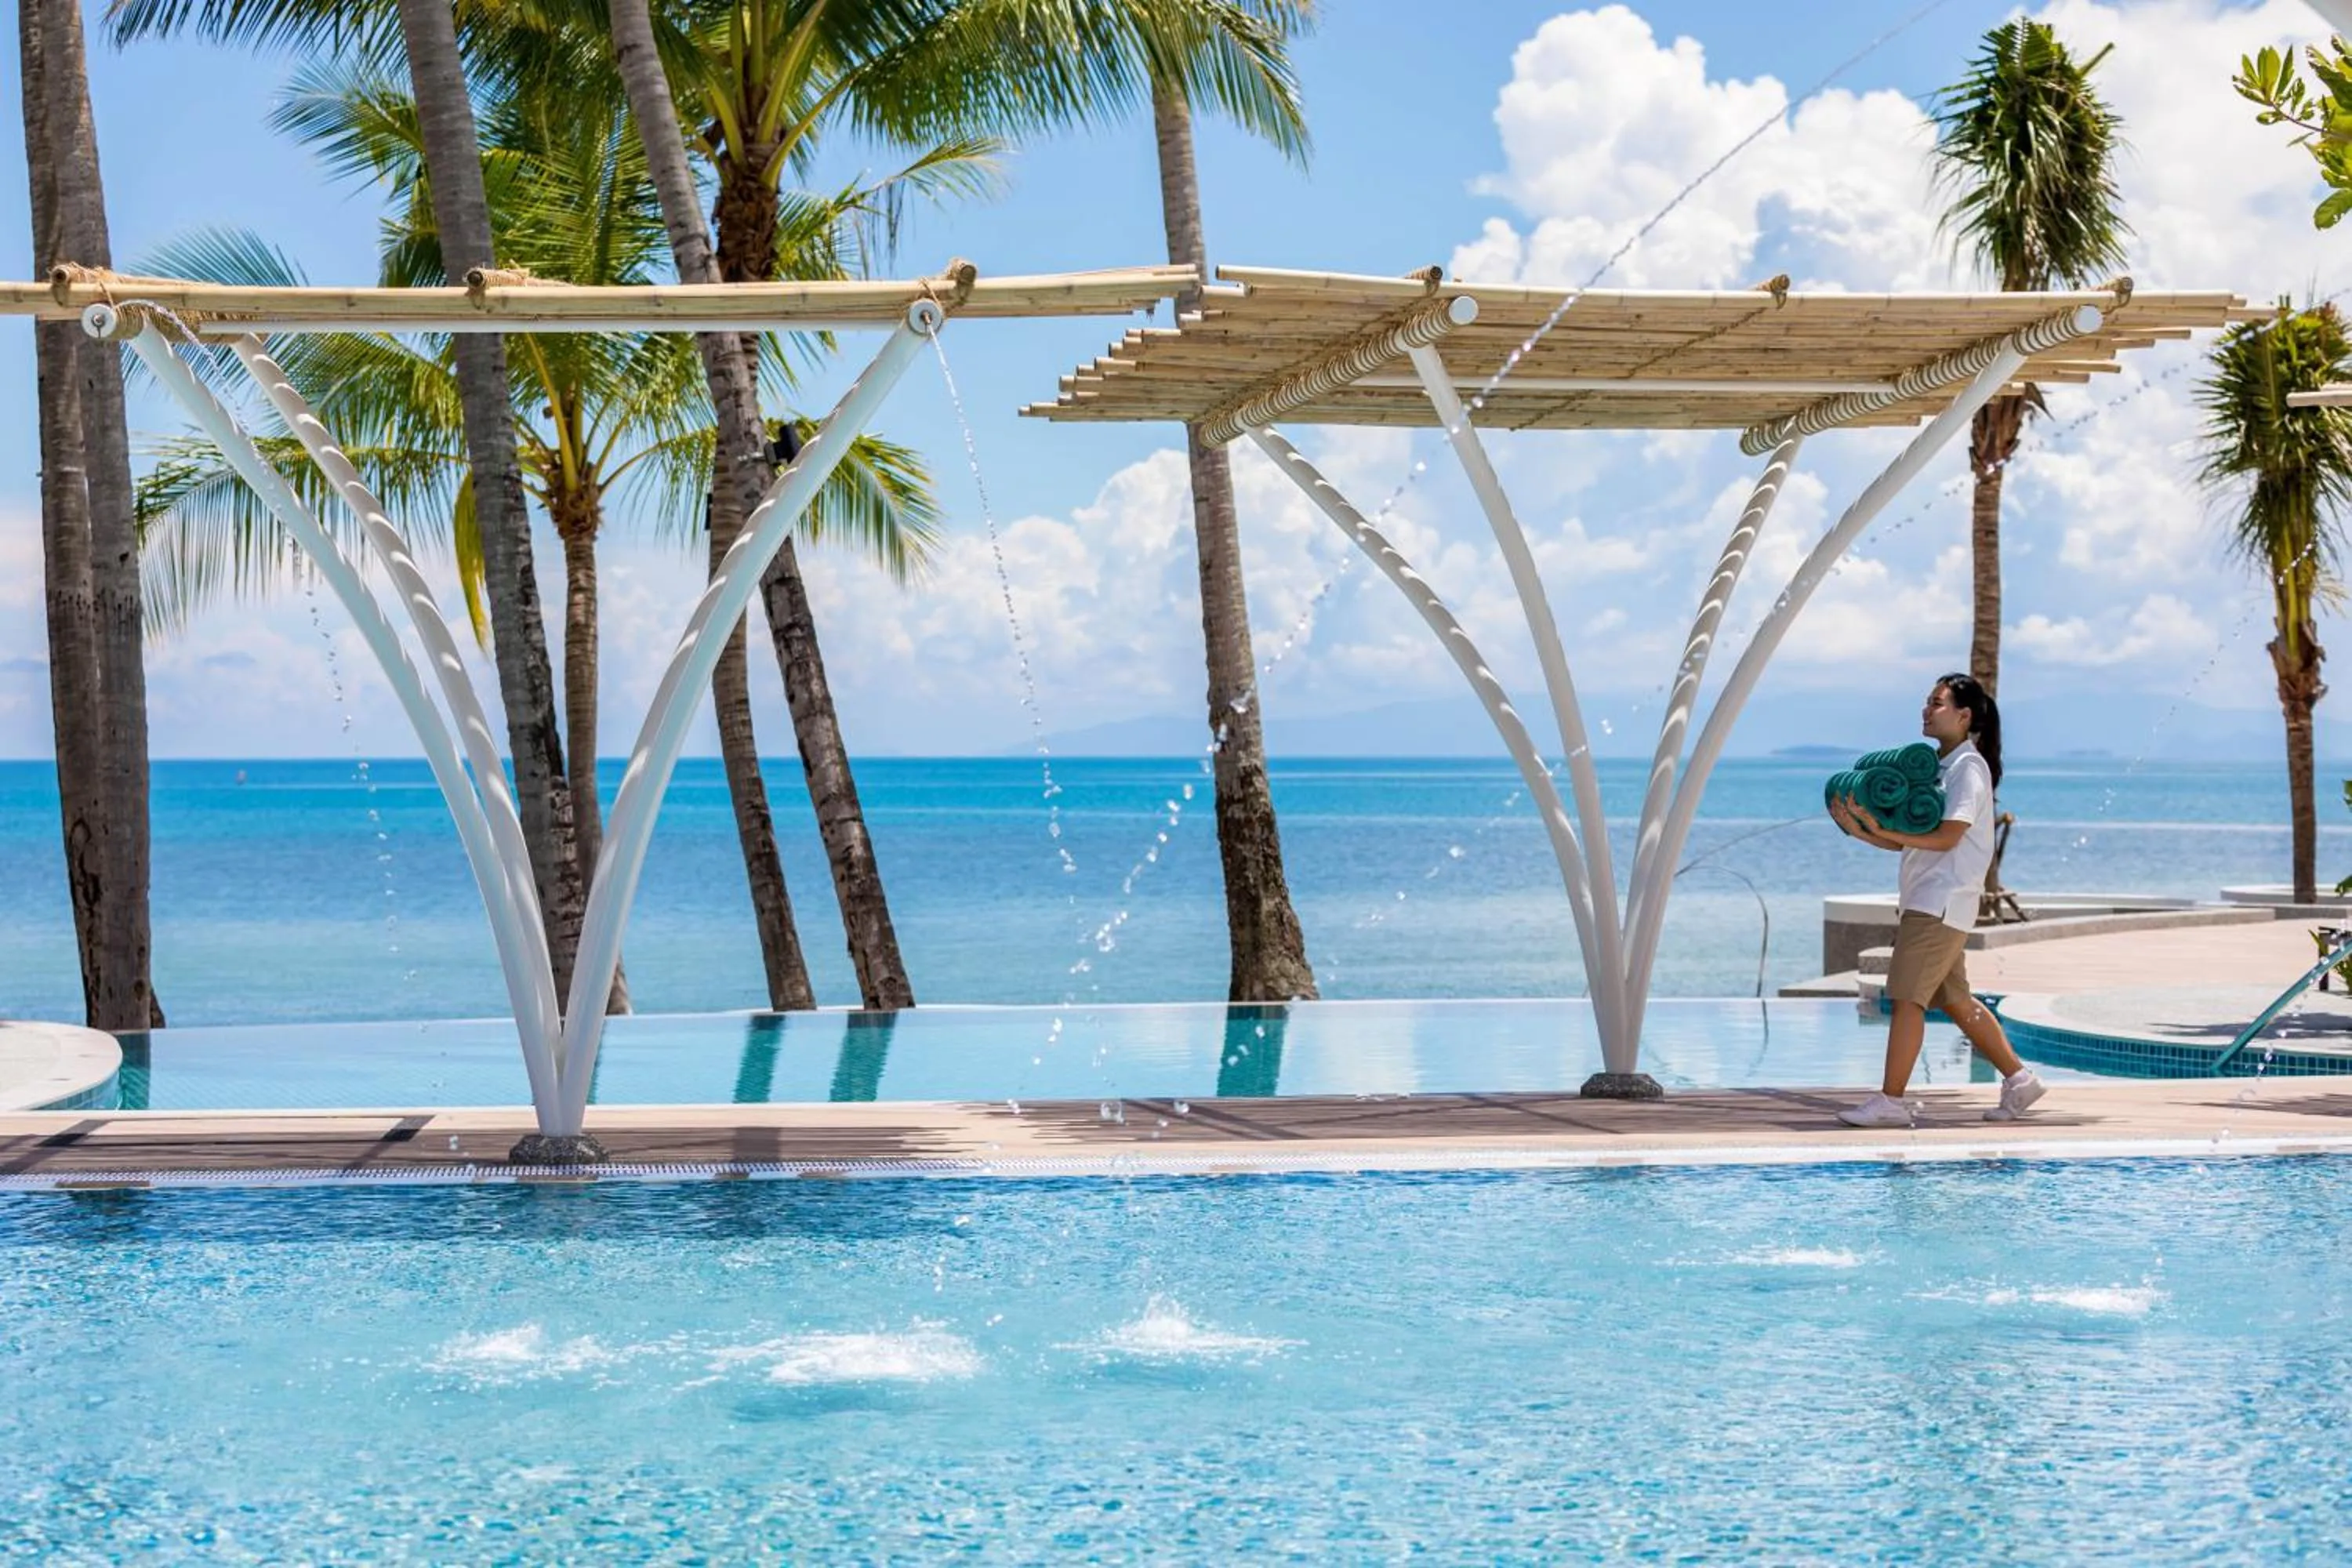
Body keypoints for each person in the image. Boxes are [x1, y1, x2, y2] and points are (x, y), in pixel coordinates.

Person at [1828, 673, 2045, 1127]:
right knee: (1955, 999)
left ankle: (1891, 1100)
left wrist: (1885, 831)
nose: (1927, 710)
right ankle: (2020, 1080)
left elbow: (1948, 837)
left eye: (1938, 703)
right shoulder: (1941, 769)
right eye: (1927, 702)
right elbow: (1914, 841)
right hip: (1930, 901)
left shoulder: (1968, 768)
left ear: (1964, 716)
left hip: (1941, 904)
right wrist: (1863, 825)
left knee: (1906, 998)